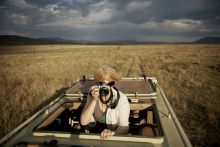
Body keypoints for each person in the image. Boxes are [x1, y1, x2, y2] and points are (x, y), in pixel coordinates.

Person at [80, 65, 130, 139]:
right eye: (101, 84)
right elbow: (84, 122)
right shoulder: (92, 95)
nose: (106, 87)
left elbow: (124, 127)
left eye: (110, 84)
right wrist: (94, 100)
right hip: (95, 134)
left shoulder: (121, 99)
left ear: (114, 84)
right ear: (96, 84)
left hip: (113, 135)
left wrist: (112, 133)